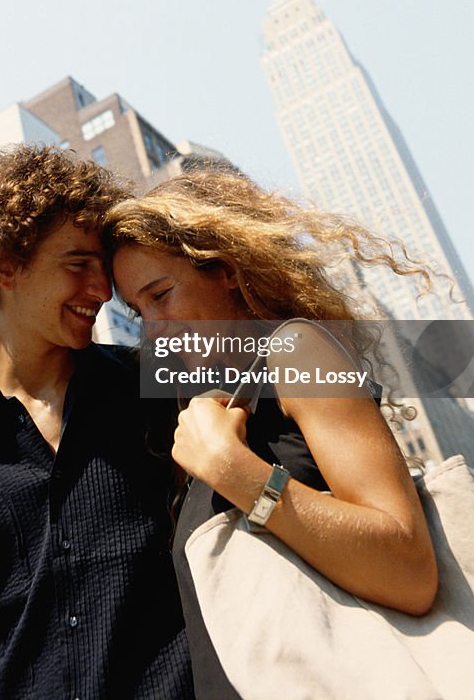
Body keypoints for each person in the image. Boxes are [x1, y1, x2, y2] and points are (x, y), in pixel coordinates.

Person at [103, 168, 439, 700]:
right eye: (138, 311)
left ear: (224, 271)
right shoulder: (200, 408)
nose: (153, 328)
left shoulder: (296, 353)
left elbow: (409, 569)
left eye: (161, 295)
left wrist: (230, 468)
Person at [0, 144, 193, 700]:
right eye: (78, 264)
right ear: (6, 265)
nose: (102, 291)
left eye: (103, 269)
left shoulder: (152, 388)